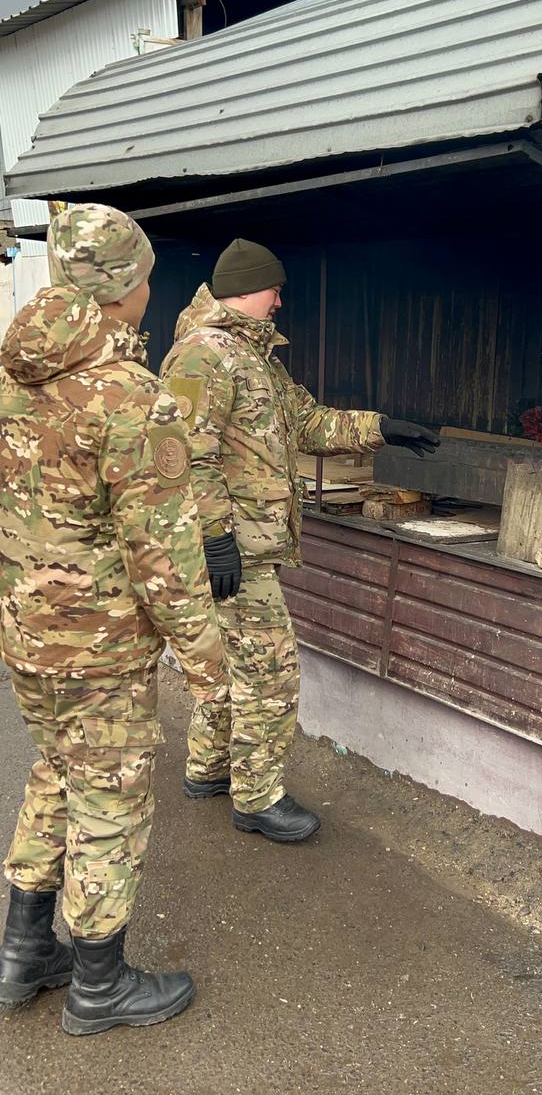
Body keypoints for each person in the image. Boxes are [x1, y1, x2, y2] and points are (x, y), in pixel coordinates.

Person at [0, 205, 227, 1036]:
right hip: (101, 647)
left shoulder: (12, 377)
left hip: (27, 632)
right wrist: (206, 660)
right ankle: (99, 985)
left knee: (57, 774)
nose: (150, 292)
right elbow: (163, 553)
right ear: (125, 286)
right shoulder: (131, 397)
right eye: (146, 278)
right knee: (111, 797)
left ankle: (23, 954)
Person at [161, 237, 439, 844]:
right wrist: (215, 537)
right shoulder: (204, 355)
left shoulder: (252, 355)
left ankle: (209, 769)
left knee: (232, 664)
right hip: (234, 548)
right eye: (275, 289)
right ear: (248, 289)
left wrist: (383, 428)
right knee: (269, 674)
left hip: (246, 544)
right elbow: (186, 455)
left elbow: (308, 422)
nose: (280, 302)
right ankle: (257, 799)